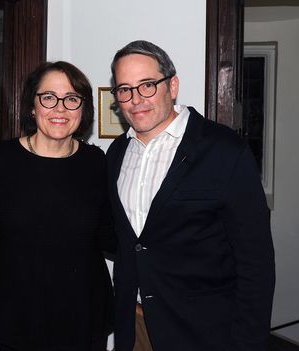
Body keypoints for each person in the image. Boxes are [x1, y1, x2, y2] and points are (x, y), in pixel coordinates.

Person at [106, 40, 275, 351]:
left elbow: (256, 264)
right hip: (136, 327)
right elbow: (124, 240)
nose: (135, 99)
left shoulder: (224, 150)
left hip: (205, 333)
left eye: (147, 85)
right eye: (124, 89)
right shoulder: (117, 153)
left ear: (172, 86)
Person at [0, 61, 115, 351]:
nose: (60, 109)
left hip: (84, 326)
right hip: (14, 326)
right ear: (33, 107)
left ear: (83, 110)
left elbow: (110, 235)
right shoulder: (1, 161)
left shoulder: (96, 163)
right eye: (48, 98)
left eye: (71, 99)